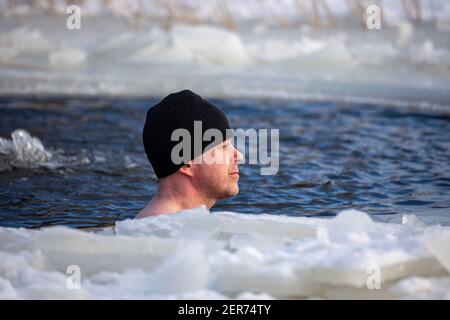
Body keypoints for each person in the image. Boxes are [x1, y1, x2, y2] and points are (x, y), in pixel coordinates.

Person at [135, 90, 243, 218]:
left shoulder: (179, 227)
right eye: (223, 147)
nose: (239, 156)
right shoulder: (162, 233)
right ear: (186, 163)